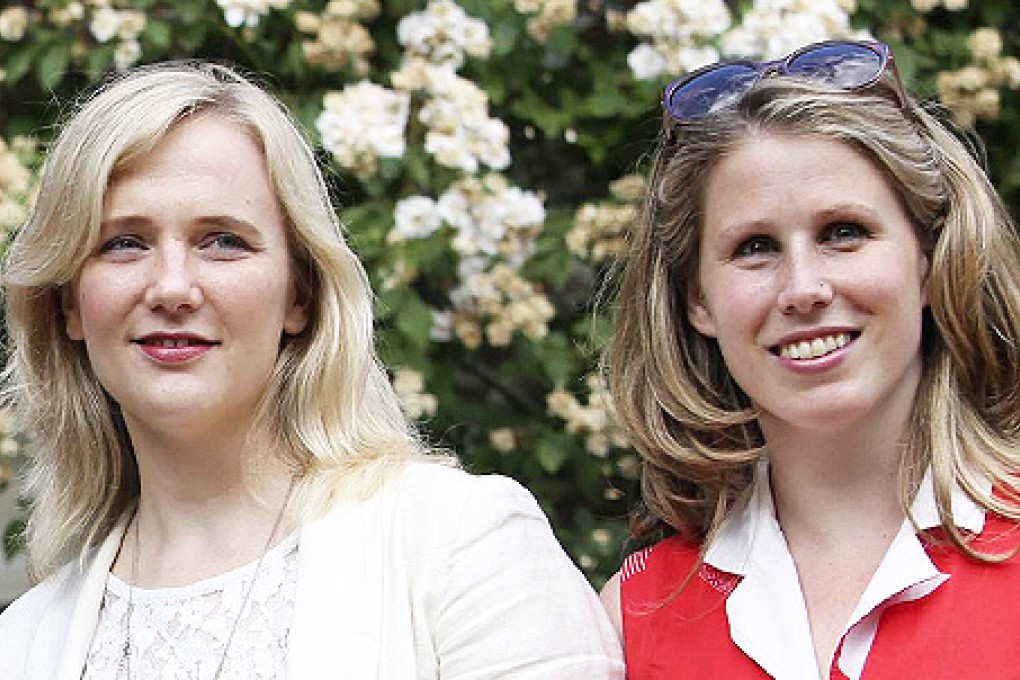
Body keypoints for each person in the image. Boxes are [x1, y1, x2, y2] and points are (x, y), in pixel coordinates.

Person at [0, 60, 624, 679]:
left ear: (300, 295)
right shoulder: (23, 641)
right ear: (69, 304)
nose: (171, 287)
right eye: (123, 243)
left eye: (223, 241)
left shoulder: (462, 545)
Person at [598, 39, 1020, 679]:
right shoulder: (634, 619)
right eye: (755, 247)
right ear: (697, 300)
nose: (803, 289)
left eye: (843, 232)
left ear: (930, 259)